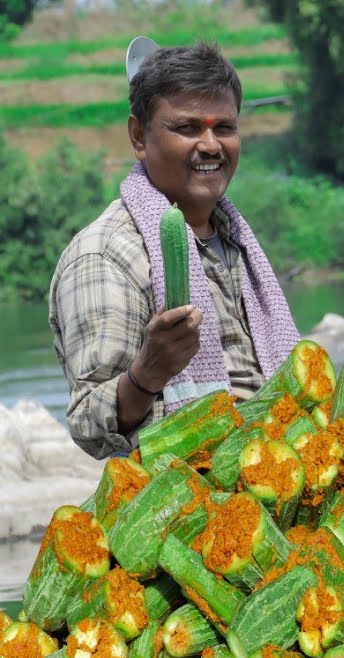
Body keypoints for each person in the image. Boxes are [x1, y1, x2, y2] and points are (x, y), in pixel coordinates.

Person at [48, 41, 300, 459]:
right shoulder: (105, 254)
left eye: (224, 127)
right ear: (138, 137)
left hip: (272, 483)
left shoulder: (234, 238)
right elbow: (89, 424)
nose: (211, 144)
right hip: (186, 507)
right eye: (187, 128)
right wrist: (147, 373)